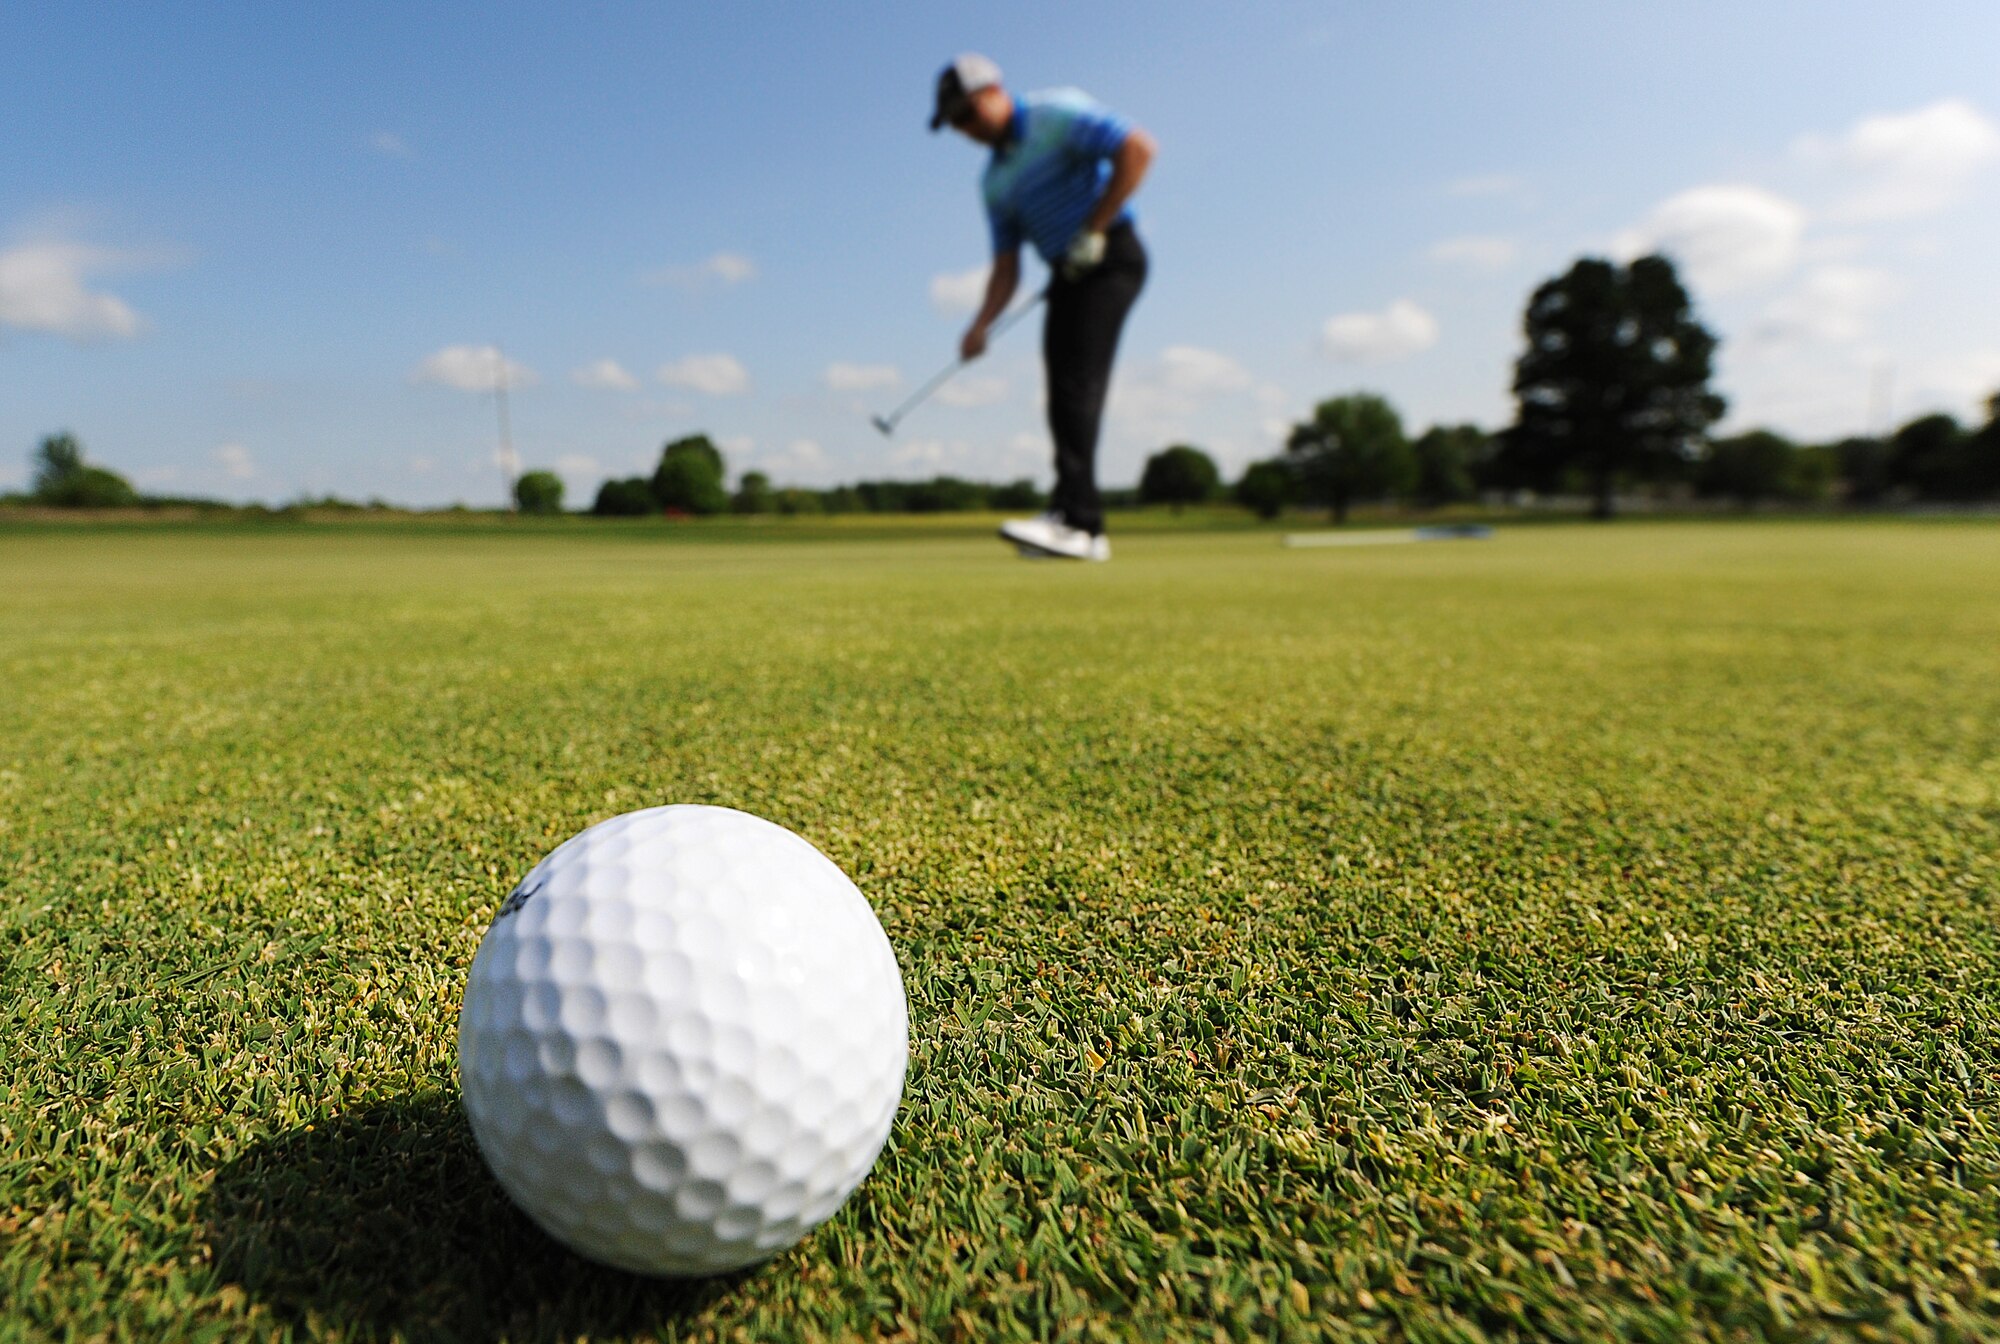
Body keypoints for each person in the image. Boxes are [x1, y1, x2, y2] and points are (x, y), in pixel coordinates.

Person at [931, 53, 1155, 562]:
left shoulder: (1056, 114)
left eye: (966, 115)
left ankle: (1078, 523)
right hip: (1068, 273)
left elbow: (1138, 148)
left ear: (993, 91)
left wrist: (1095, 228)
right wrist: (979, 325)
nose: (964, 130)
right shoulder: (994, 183)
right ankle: (1078, 521)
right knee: (1061, 392)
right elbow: (1006, 266)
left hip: (1112, 255)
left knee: (1077, 384)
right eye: (955, 124)